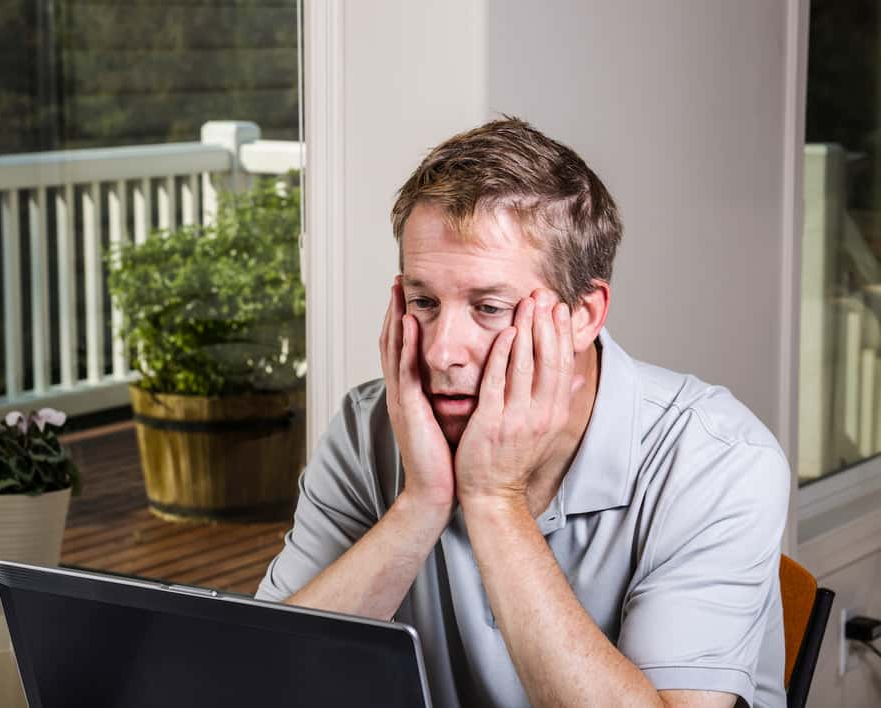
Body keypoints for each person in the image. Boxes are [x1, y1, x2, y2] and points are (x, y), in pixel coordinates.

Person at [255, 118, 789, 708]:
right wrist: (422, 503)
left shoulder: (716, 457)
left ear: (584, 315)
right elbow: (262, 680)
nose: (441, 351)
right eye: (423, 302)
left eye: (488, 307)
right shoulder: (368, 428)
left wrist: (493, 499)